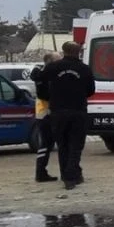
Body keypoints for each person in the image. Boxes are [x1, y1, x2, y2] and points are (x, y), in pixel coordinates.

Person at [38, 41, 96, 190]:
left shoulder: (53, 67)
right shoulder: (84, 69)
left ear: (64, 51)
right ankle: (72, 176)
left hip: (58, 112)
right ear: (79, 52)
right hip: (78, 111)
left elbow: (40, 79)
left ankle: (67, 175)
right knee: (76, 146)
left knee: (63, 145)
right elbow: (91, 91)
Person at [30, 52, 61, 182]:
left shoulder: (41, 73)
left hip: (44, 112)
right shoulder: (44, 76)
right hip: (45, 113)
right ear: (50, 61)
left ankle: (41, 171)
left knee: (47, 144)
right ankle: (40, 172)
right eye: (57, 60)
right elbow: (45, 94)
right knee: (46, 144)